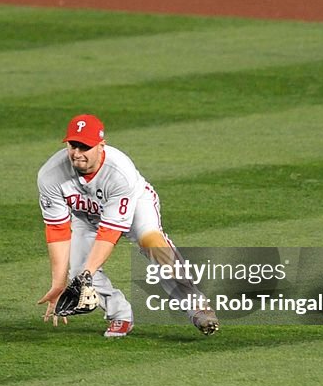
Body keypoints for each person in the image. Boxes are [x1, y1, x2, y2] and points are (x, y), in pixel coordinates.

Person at [35, 114, 220, 337]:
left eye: (85, 147)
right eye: (73, 145)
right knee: (77, 270)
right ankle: (120, 314)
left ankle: (196, 306)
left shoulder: (119, 171)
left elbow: (110, 232)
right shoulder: (51, 175)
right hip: (87, 217)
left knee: (154, 245)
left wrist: (86, 274)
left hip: (135, 205)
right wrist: (59, 283)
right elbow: (57, 230)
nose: (77, 153)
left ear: (101, 145)